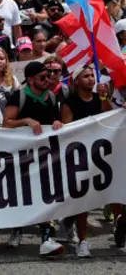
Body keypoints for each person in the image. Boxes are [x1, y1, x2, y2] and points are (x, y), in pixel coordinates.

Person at [3, 60, 65, 256]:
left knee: (45, 195)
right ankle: (17, 229)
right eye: (43, 77)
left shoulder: (52, 97)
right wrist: (26, 121)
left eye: (50, 75)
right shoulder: (19, 96)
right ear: (30, 80)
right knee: (22, 194)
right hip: (22, 156)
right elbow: (6, 123)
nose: (48, 79)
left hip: (45, 156)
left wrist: (57, 122)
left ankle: (46, 238)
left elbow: (55, 120)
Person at [59, 66, 109, 257]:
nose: (90, 79)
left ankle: (68, 220)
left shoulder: (99, 98)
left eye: (92, 76)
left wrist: (104, 98)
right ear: (77, 81)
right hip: (78, 156)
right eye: (85, 76)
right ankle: (83, 241)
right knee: (82, 199)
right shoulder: (69, 103)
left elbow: (110, 119)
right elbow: (69, 130)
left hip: (99, 155)